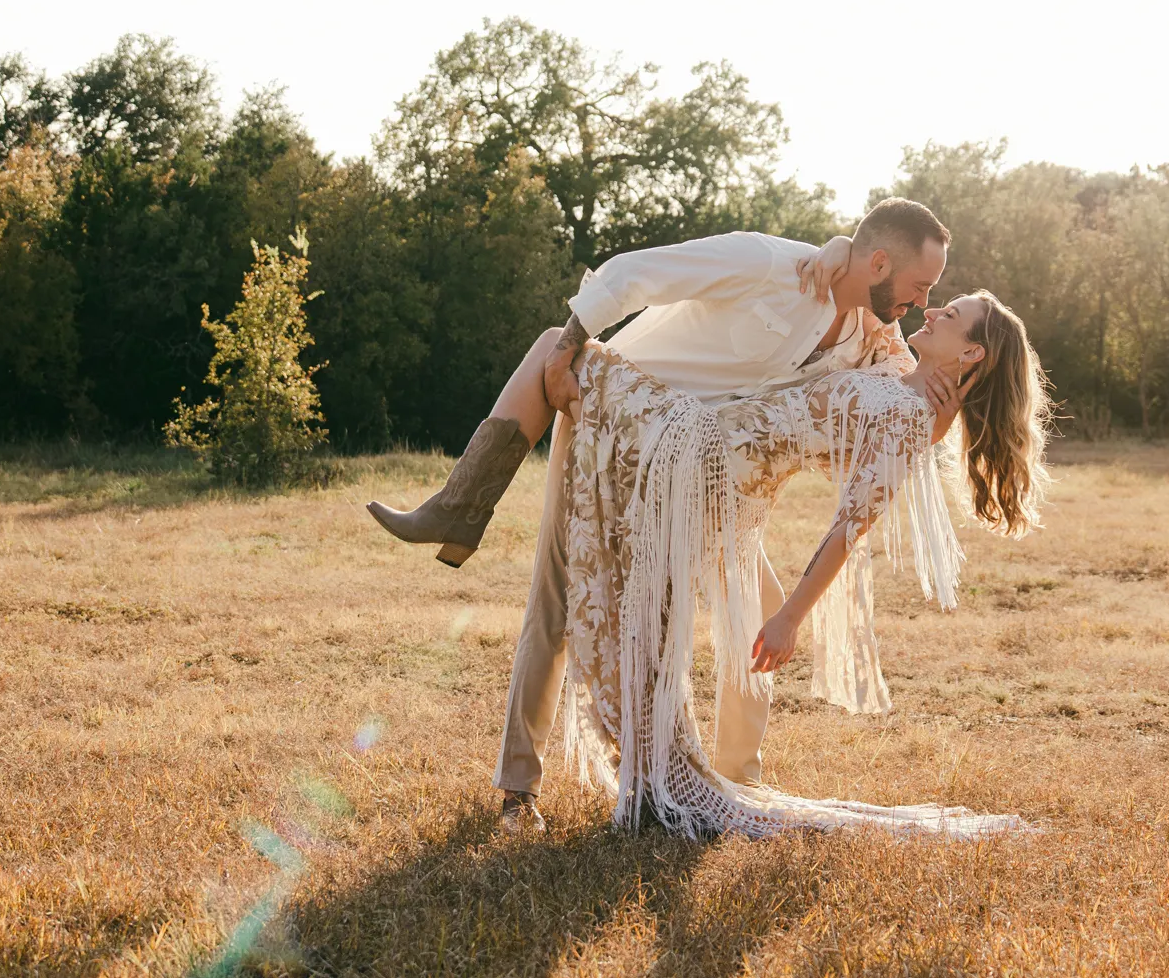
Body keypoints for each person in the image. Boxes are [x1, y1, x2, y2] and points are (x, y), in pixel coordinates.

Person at [365, 199, 956, 832]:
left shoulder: (869, 335)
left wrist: (943, 409)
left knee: (757, 602)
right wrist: (567, 352)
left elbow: (904, 411)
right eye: (920, 286)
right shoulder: (769, 264)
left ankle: (736, 784)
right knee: (560, 600)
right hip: (612, 428)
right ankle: (518, 790)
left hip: (700, 475)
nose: (922, 303)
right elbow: (632, 272)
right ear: (879, 261)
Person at [558, 288, 1051, 838]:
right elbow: (868, 301)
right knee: (582, 375)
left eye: (951, 315)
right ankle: (656, 772)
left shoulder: (910, 419)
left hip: (708, 469)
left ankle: (660, 777)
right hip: (712, 455)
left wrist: (789, 618)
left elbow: (848, 529)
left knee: (581, 366)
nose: (932, 311)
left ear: (972, 353)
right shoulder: (897, 373)